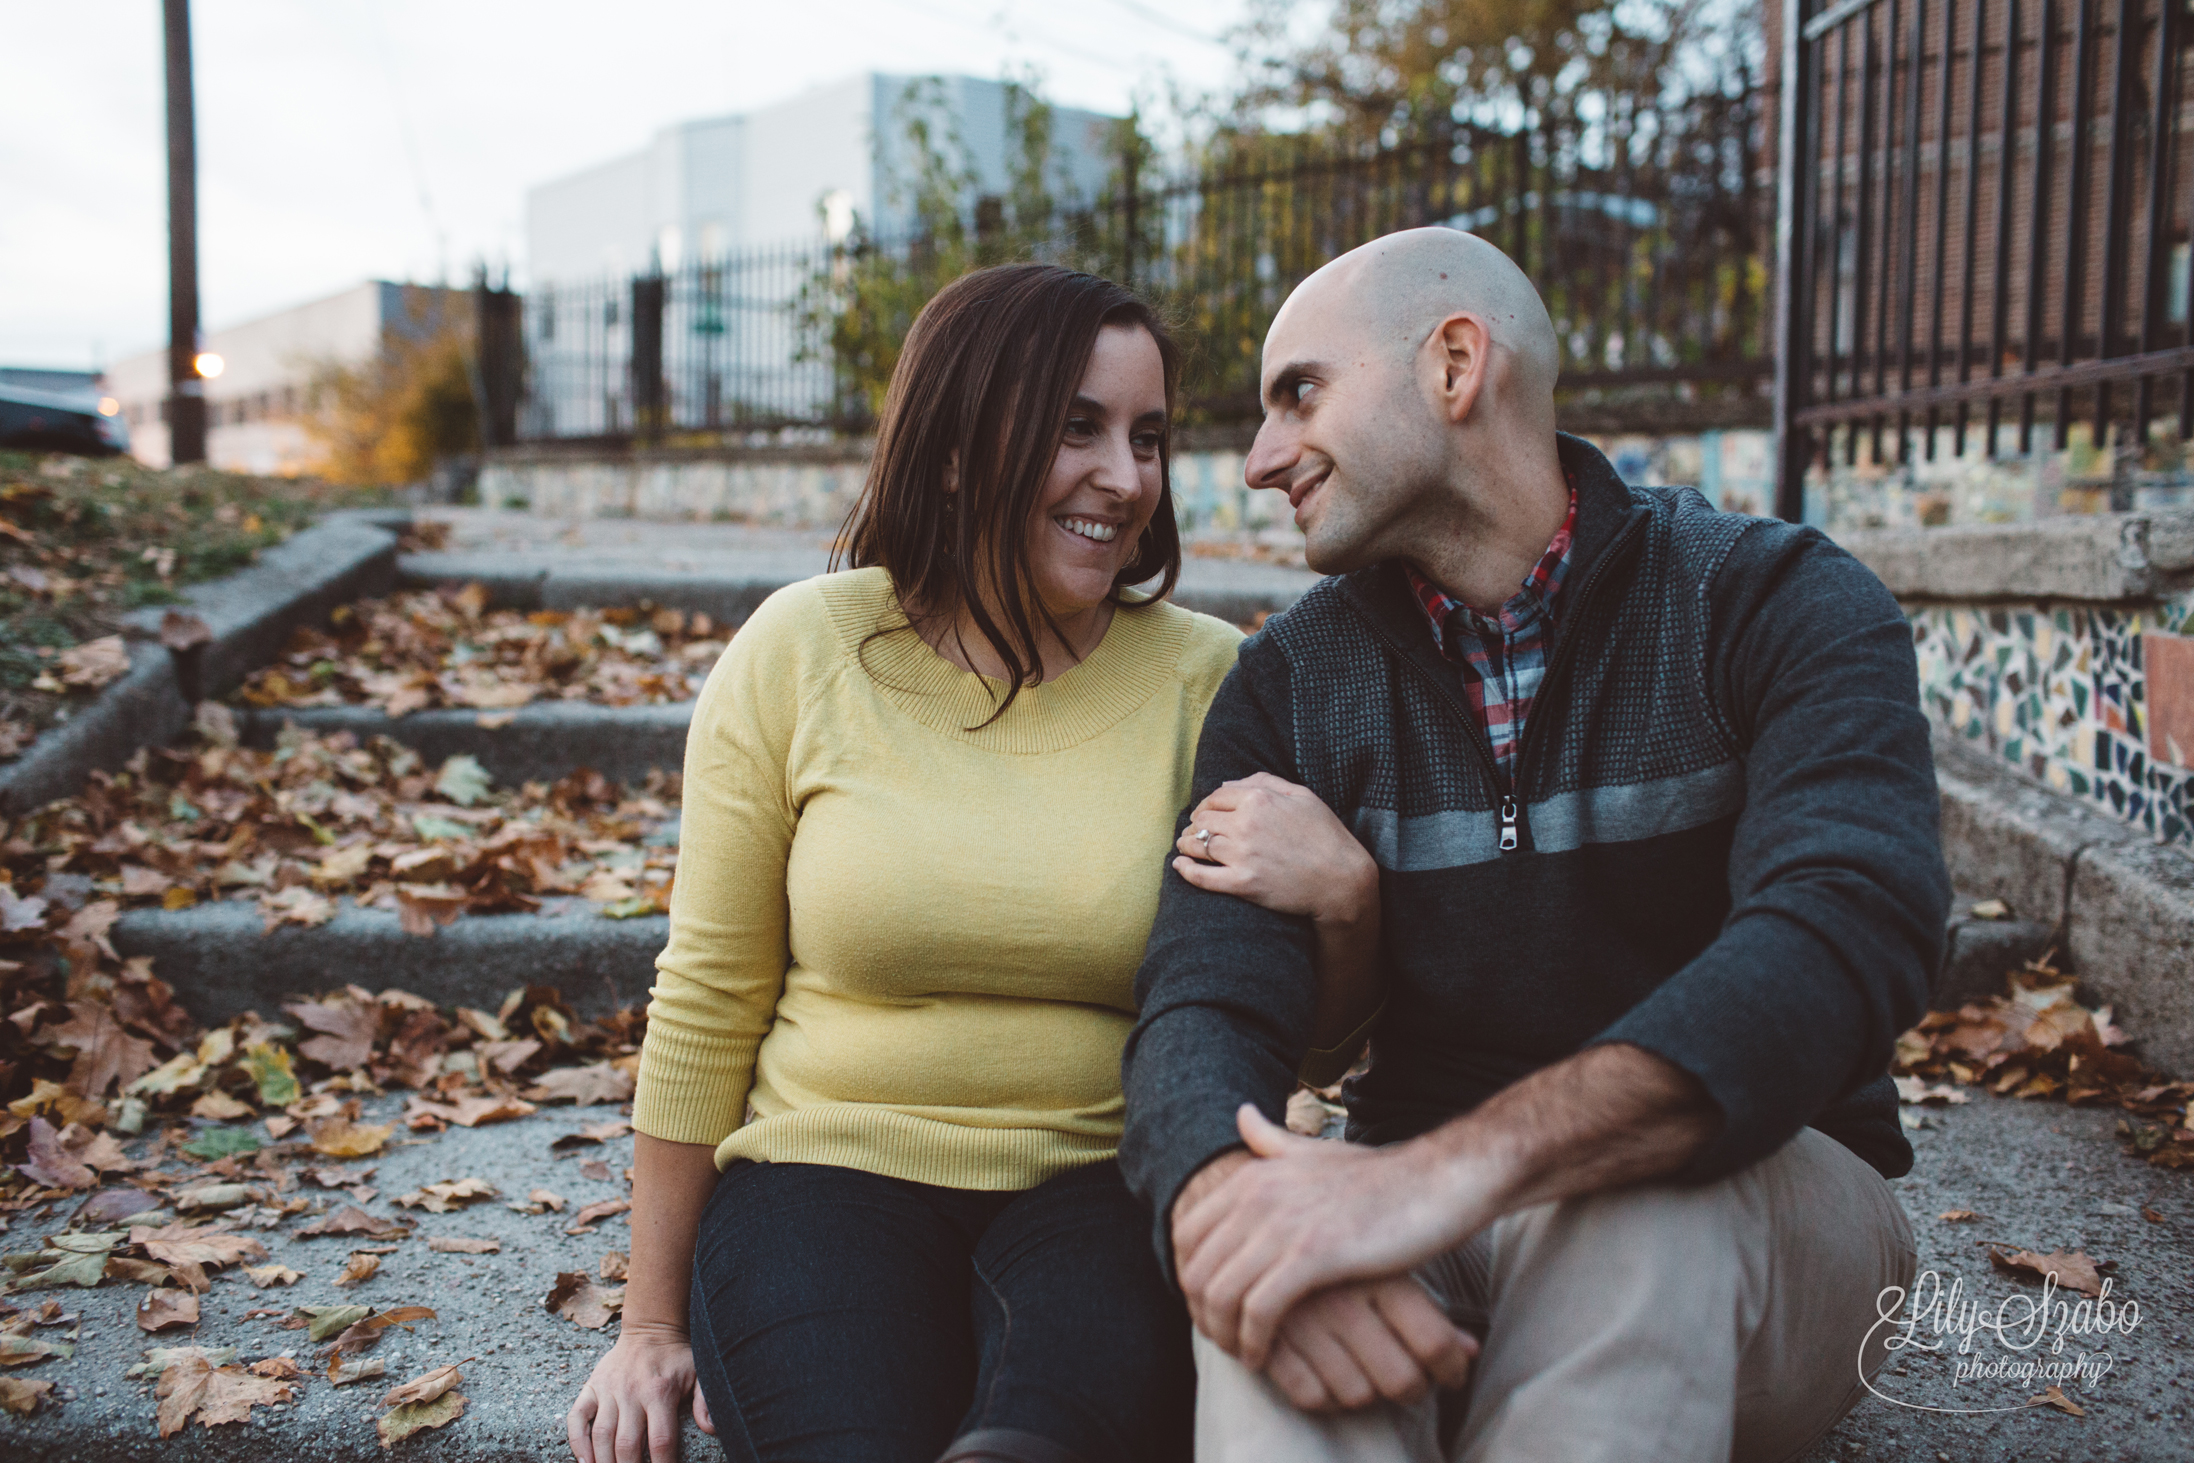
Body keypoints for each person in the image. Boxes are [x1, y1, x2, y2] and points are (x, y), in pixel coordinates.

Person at [1120, 227, 1947, 1461]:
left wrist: (1437, 1176)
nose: (1256, 460)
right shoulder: (1290, 684)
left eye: (1300, 393)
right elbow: (1201, 999)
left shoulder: (1770, 600)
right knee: (1265, 1276)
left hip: (1764, 1202)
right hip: (1420, 1210)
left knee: (1626, 1203)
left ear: (1455, 365)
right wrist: (1226, 1194)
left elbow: (1848, 928)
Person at [562, 262, 1381, 1463]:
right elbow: (707, 997)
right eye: (1075, 427)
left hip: (1108, 1185)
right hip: (819, 1174)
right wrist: (647, 1321)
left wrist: (1350, 904)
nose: (1126, 477)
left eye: (1146, 436)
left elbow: (1300, 1047)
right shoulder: (801, 650)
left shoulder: (1211, 680)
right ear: (952, 447)